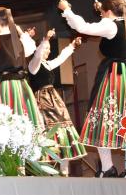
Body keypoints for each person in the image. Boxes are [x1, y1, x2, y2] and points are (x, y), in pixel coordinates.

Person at [58, 0, 126, 178]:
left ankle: (107, 167)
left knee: (102, 118)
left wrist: (67, 10)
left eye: (102, 12)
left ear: (109, 12)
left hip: (114, 75)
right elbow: (110, 18)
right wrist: (102, 10)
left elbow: (83, 27)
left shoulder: (110, 26)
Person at [28, 29, 87, 176]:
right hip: (42, 102)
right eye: (45, 48)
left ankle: (64, 170)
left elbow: (61, 58)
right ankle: (44, 170)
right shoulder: (33, 66)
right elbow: (37, 54)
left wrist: (72, 46)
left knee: (63, 131)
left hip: (55, 102)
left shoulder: (48, 64)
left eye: (49, 49)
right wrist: (45, 39)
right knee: (45, 132)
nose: (47, 51)